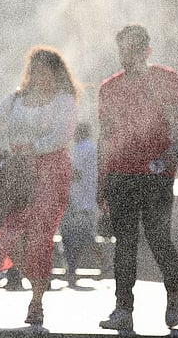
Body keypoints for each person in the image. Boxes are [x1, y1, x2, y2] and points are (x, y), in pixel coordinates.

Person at [0, 45, 79, 325]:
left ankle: (36, 301)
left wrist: (31, 148)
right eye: (34, 70)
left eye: (44, 71)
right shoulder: (15, 99)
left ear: (55, 73)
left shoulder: (63, 100)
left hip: (51, 173)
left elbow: (62, 136)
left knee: (39, 236)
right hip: (17, 173)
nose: (38, 76)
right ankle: (34, 276)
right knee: (11, 234)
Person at [96, 24, 178, 331]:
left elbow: (177, 128)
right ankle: (124, 309)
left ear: (147, 50)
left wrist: (167, 161)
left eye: (134, 48)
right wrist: (101, 180)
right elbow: (104, 138)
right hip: (120, 173)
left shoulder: (166, 79)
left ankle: (173, 292)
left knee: (158, 238)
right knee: (125, 243)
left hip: (155, 175)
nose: (127, 55)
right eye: (123, 48)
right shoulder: (108, 87)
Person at [60, 122, 98, 287]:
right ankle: (73, 270)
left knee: (71, 237)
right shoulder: (93, 148)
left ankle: (72, 270)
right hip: (87, 200)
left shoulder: (80, 150)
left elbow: (73, 173)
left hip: (75, 200)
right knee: (82, 235)